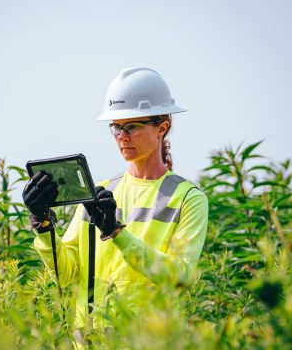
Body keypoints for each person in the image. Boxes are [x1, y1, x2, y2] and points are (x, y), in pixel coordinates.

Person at [22, 66, 208, 333]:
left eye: (132, 126)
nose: (122, 137)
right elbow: (68, 274)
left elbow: (177, 277)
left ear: (162, 128)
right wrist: (41, 224)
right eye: (116, 128)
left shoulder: (187, 199)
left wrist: (116, 232)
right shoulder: (98, 191)